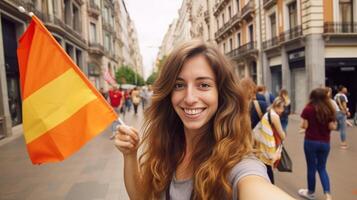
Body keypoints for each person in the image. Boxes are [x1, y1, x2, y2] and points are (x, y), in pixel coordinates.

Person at [113, 40, 294, 199]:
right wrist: (130, 155)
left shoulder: (240, 165)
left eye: (204, 85)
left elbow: (254, 186)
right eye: (179, 85)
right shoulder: (167, 147)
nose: (190, 97)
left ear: (221, 93)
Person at [298, 88, 336, 200]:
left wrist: (308, 127)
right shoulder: (329, 109)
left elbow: (304, 125)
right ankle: (328, 195)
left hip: (310, 142)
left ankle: (310, 192)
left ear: (312, 97)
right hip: (325, 143)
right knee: (322, 168)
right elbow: (332, 127)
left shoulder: (308, 109)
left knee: (311, 168)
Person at [254, 97, 286, 184]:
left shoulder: (268, 113)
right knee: (269, 170)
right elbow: (282, 135)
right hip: (269, 146)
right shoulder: (275, 116)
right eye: (282, 107)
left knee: (266, 168)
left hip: (263, 145)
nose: (282, 110)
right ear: (277, 106)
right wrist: (284, 134)